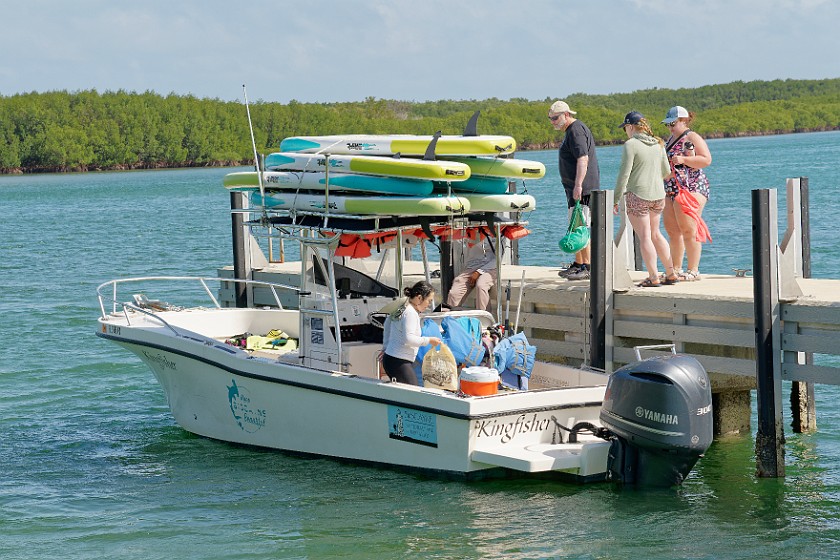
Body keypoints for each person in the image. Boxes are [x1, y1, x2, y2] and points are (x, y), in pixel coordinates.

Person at [613, 111, 679, 287]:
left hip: (637, 195)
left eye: (625, 128)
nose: (625, 131)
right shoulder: (659, 144)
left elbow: (624, 174)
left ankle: (653, 277)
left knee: (644, 237)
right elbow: (666, 172)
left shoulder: (631, 145)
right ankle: (671, 273)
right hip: (658, 196)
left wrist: (615, 198)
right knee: (656, 234)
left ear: (631, 127)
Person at [549, 100, 600, 281]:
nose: (553, 121)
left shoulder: (576, 130)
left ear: (567, 114)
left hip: (583, 189)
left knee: (581, 228)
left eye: (555, 118)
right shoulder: (570, 131)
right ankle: (578, 263)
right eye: (551, 119)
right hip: (573, 189)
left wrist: (578, 184)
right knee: (574, 225)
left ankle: (588, 266)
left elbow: (583, 159)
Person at [662, 106, 712, 281]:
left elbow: (706, 159)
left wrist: (683, 159)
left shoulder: (691, 137)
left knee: (688, 229)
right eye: (667, 124)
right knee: (673, 230)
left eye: (673, 124)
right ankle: (675, 269)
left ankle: (693, 270)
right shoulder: (670, 139)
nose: (670, 127)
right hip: (671, 188)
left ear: (684, 121)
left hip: (691, 187)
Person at [381, 281, 442, 385]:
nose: (428, 305)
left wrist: (386, 347)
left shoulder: (403, 307)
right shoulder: (410, 313)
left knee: (406, 392)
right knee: (413, 392)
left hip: (392, 358)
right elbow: (408, 339)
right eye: (429, 301)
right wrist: (429, 340)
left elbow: (388, 324)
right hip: (398, 360)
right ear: (419, 298)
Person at [446, 237, 499, 311]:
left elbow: (498, 258)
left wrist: (479, 272)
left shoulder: (501, 232)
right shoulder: (471, 229)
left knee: (481, 285)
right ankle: (450, 316)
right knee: (455, 290)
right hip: (472, 265)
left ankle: (483, 318)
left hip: (491, 267)